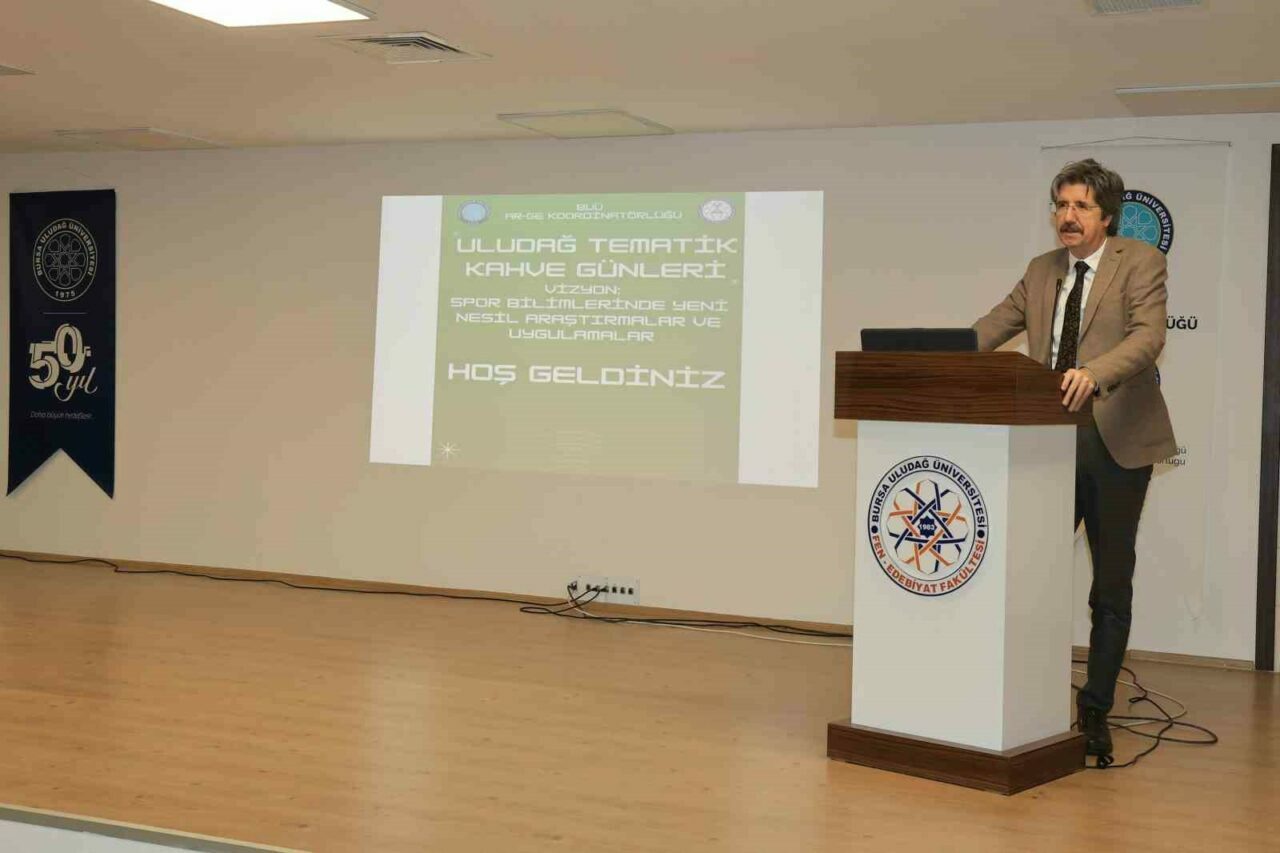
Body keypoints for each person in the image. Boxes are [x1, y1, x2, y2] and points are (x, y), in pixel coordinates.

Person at [972, 158, 1176, 763]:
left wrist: (1093, 372)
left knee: (1109, 584)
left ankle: (1095, 709)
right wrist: (933, 355)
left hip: (1114, 441)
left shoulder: (1141, 261)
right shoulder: (1041, 270)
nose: (1068, 216)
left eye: (1081, 206)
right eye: (1061, 205)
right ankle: (1017, 693)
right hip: (1044, 443)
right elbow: (992, 327)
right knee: (1026, 569)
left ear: (1106, 215)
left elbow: (1148, 336)